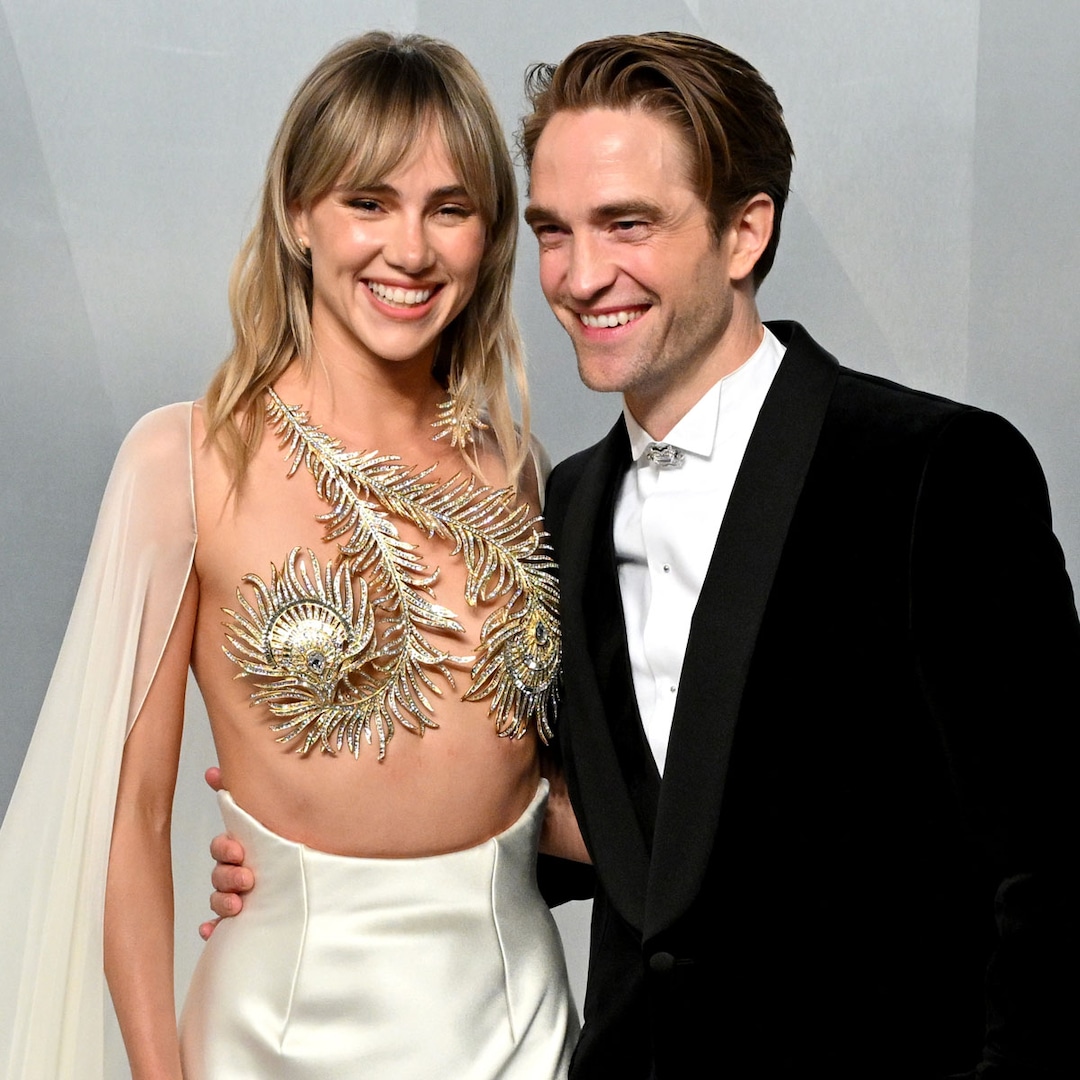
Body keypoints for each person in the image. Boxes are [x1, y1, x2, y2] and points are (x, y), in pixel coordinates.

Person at [209, 30, 1080, 1078]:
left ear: (744, 232)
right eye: (554, 231)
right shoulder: (561, 504)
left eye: (627, 224)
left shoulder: (934, 472)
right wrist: (316, 864)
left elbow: (1055, 868)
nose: (582, 277)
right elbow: (631, 837)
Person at [0, 32, 577, 1080]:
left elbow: (541, 784)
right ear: (299, 213)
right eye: (369, 201)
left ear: (491, 234)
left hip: (522, 1030)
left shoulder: (520, 471)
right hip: (278, 1036)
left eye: (450, 208)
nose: (410, 249)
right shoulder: (185, 463)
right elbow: (130, 818)